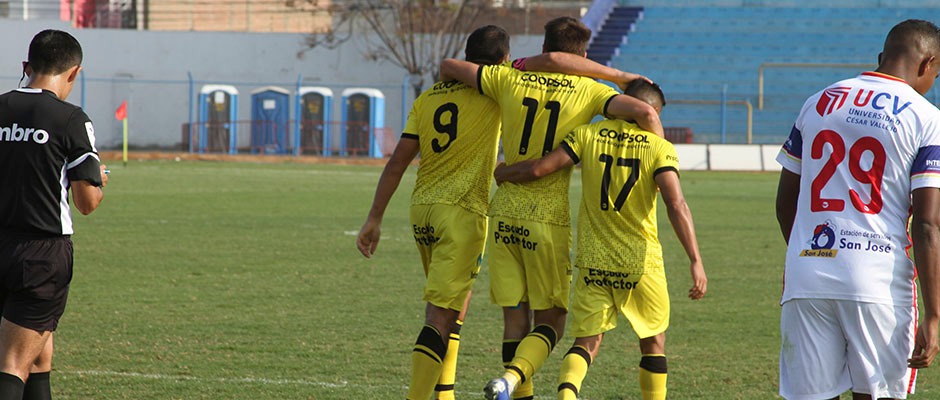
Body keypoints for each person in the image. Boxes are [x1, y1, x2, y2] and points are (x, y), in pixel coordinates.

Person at [440, 16, 663, 400]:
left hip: (505, 210)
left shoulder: (509, 76)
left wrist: (526, 64)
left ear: (543, 48)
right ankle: (512, 379)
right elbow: (645, 112)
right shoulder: (590, 90)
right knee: (553, 323)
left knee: (514, 320)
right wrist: (658, 156)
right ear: (584, 55)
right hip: (546, 218)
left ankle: (512, 387)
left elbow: (449, 67)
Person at [494, 80, 707, 400]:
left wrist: (503, 173)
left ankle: (566, 394)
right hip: (640, 261)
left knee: (586, 343)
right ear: (650, 113)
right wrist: (695, 259)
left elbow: (541, 168)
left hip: (594, 259)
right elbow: (676, 204)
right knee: (653, 343)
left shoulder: (587, 135)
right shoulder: (658, 148)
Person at [775, 19, 940, 400]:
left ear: (882, 57)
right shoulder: (925, 117)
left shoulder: (817, 101)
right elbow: (928, 224)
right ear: (927, 63)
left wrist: (806, 251)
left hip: (808, 273)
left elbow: (786, 201)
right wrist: (933, 315)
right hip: (877, 280)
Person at [356, 25, 511, 400]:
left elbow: (398, 161)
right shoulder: (499, 88)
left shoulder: (429, 97)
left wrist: (374, 217)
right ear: (503, 60)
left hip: (423, 211)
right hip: (462, 212)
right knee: (440, 315)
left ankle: (444, 393)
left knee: (454, 303)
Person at [0, 29, 107, 400]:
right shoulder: (70, 119)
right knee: (13, 364)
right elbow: (86, 202)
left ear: (26, 67)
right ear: (74, 72)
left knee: (39, 358)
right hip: (41, 255)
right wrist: (100, 180)